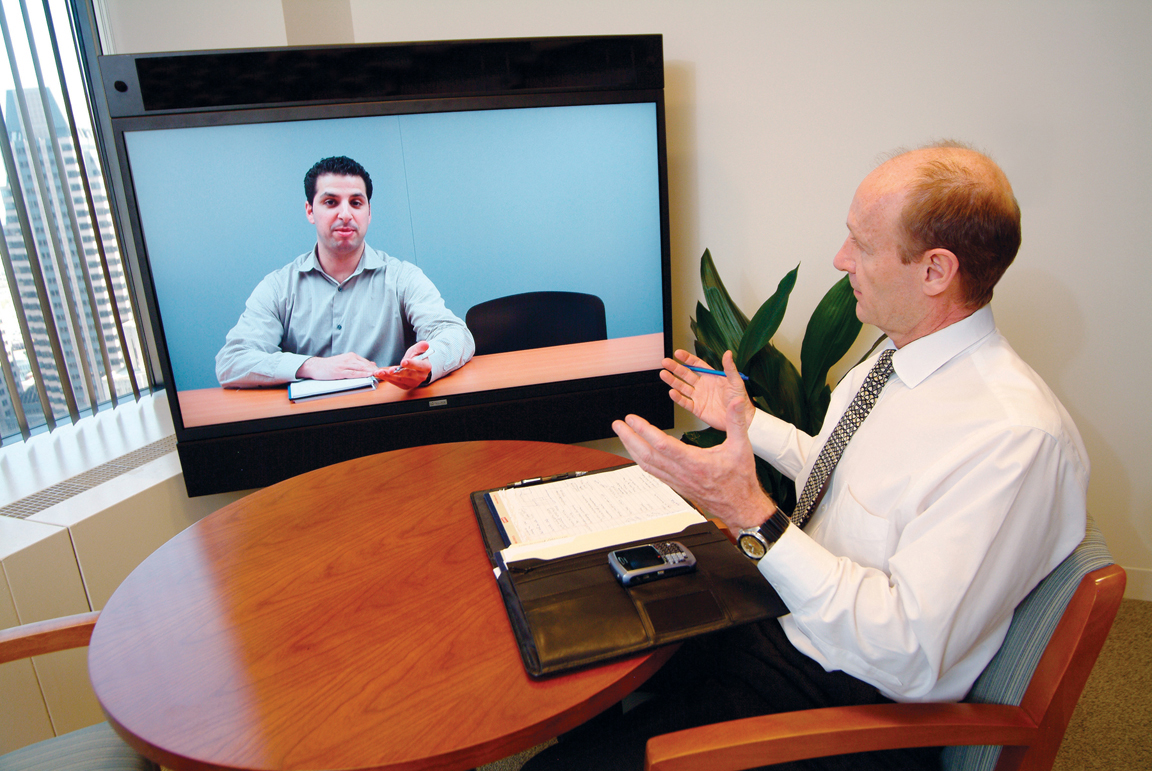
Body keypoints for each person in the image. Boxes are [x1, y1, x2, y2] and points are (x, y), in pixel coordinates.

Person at [526, 142, 1089, 771]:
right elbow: (836, 469)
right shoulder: (897, 356)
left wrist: (748, 514)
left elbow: (903, 652)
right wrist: (747, 422)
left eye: (862, 244)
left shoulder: (1010, 442)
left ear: (935, 271)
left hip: (846, 701)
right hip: (787, 613)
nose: (840, 259)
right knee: (586, 629)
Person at [215, 156, 474, 389]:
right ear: (310, 211)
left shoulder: (402, 277)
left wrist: (427, 363)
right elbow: (232, 360)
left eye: (356, 203)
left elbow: (455, 334)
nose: (346, 214)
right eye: (331, 202)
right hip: (306, 426)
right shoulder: (278, 287)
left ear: (369, 213)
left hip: (386, 418)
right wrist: (314, 366)